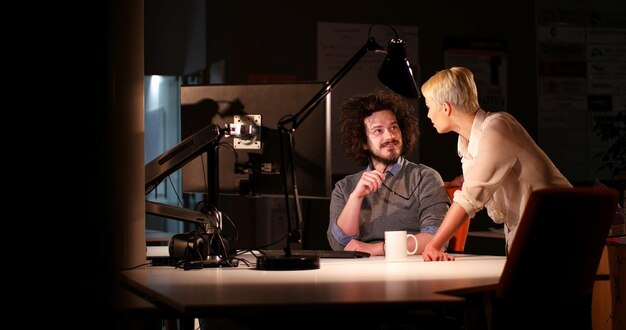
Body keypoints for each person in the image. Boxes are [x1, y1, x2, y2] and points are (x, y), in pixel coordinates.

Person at [420, 66, 572, 261]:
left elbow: (469, 198)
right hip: (531, 232)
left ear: (446, 108)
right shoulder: (466, 143)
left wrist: (434, 245)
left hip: (558, 229)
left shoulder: (498, 126)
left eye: (429, 107)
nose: (428, 115)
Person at [327, 90, 450, 256]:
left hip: (412, 271)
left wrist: (378, 249)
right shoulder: (344, 188)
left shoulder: (426, 177)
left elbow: (437, 239)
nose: (390, 136)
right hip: (360, 273)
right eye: (378, 131)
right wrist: (356, 198)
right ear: (363, 142)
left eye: (394, 127)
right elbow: (340, 244)